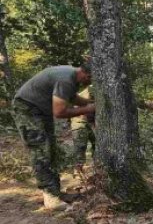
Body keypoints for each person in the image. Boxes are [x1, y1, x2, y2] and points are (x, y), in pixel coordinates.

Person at [10, 62, 94, 210]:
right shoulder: (66, 79)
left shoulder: (71, 76)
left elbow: (73, 98)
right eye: (91, 79)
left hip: (40, 111)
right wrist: (87, 109)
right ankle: (51, 198)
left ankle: (56, 192)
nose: (90, 83)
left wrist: (90, 103)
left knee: (51, 149)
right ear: (87, 75)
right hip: (27, 109)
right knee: (41, 150)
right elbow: (60, 112)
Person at [70, 87, 96, 170]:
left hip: (85, 123)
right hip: (79, 125)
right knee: (80, 149)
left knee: (97, 144)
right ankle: (79, 173)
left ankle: (97, 166)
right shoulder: (89, 91)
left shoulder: (88, 92)